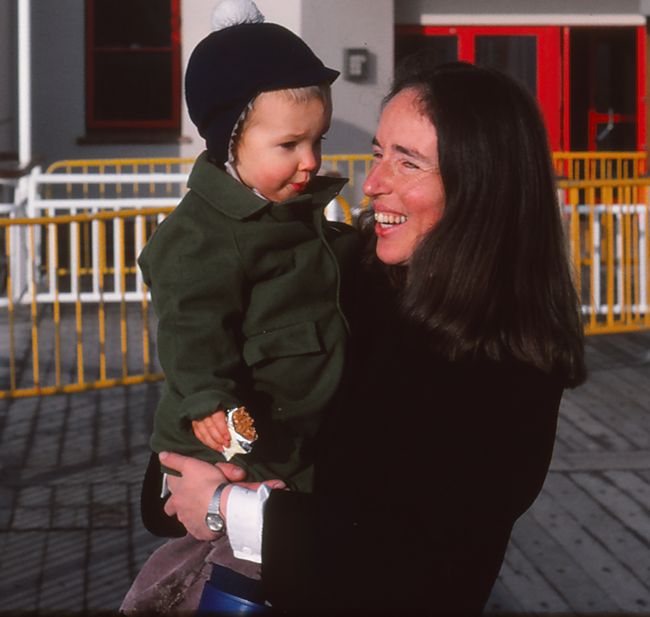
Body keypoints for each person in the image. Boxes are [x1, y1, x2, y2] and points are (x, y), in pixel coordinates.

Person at [156, 59, 587, 615]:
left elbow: (415, 554)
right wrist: (186, 472)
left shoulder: (510, 358)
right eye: (379, 153)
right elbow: (223, 371)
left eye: (408, 164)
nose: (375, 183)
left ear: (481, 187)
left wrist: (226, 507)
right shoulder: (344, 277)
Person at [121, 0, 357, 612]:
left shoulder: (287, 213)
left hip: (282, 429)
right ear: (232, 143)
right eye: (289, 144)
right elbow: (190, 324)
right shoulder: (204, 235)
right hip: (228, 433)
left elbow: (318, 266)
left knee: (225, 544)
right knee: (243, 562)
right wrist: (204, 400)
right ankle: (160, 601)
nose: (310, 160)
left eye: (317, 140)